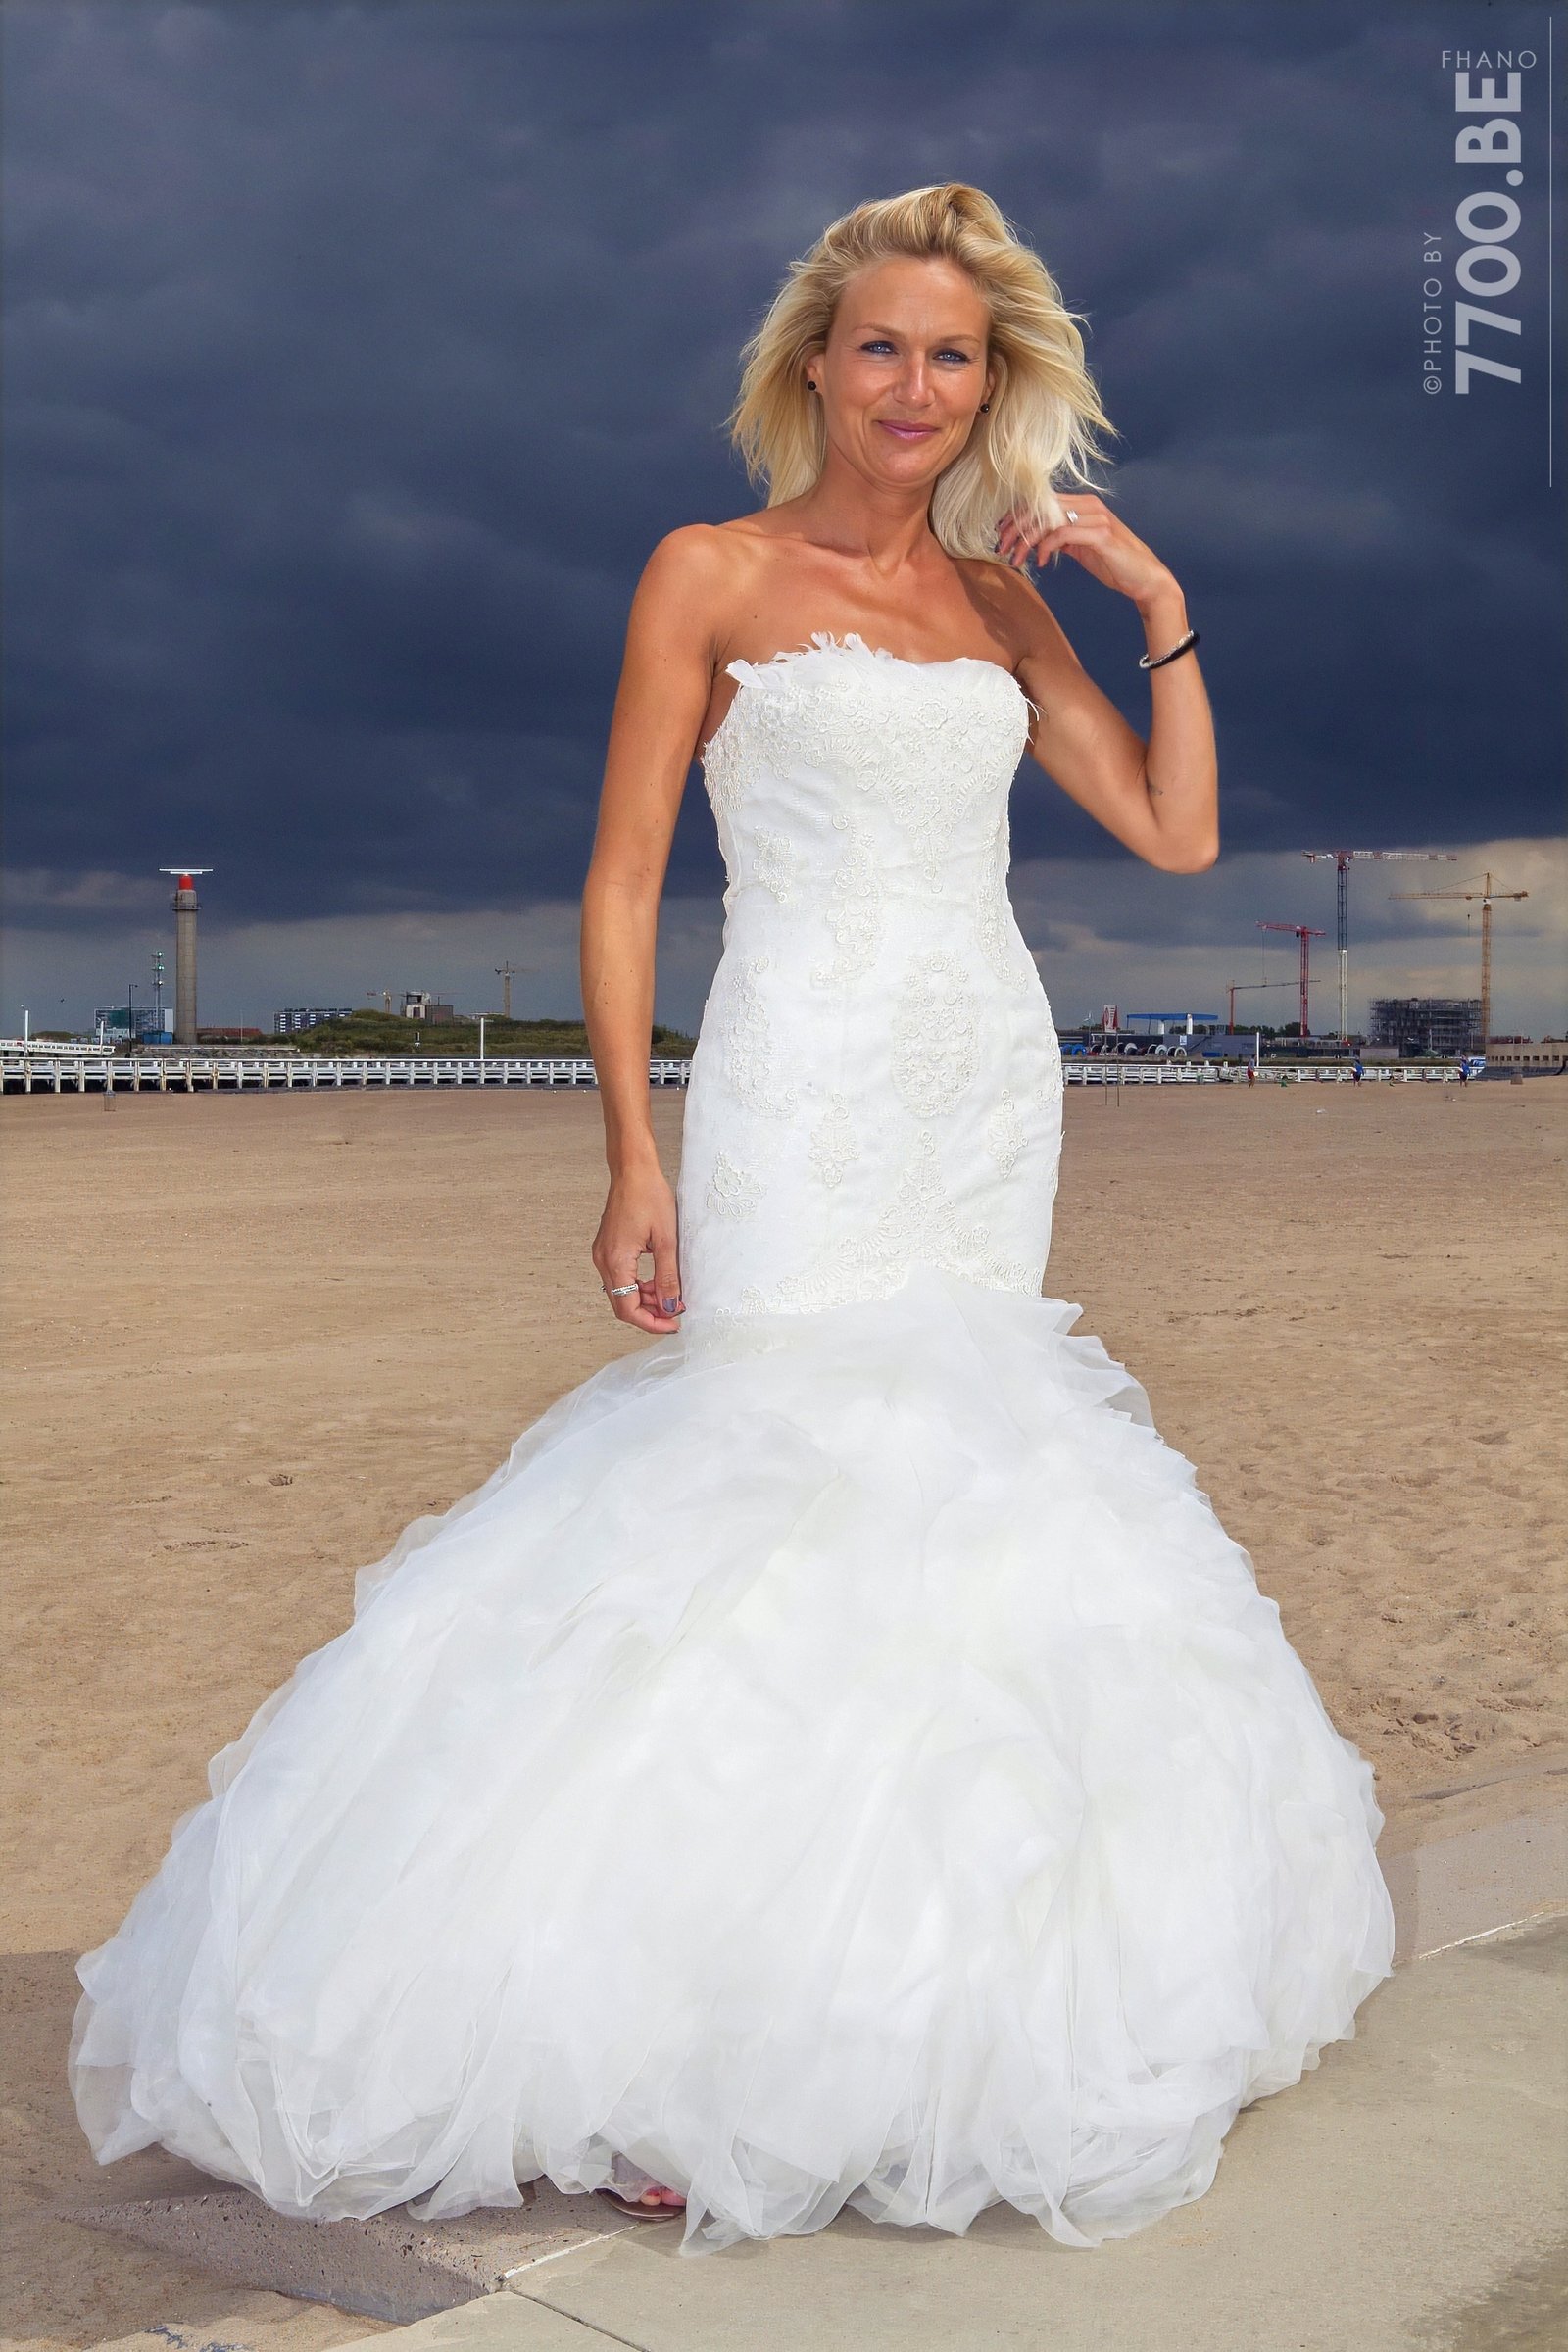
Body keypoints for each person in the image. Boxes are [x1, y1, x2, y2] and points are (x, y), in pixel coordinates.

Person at [70, 184, 1395, 2255]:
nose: (915, 387)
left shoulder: (1002, 598)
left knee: (961, 1493)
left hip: (979, 1078)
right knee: (761, 1487)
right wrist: (630, 1150)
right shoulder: (705, 573)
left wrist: (1153, 603)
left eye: (954, 356)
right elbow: (617, 883)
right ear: (809, 363)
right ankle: (670, 2029)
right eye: (880, 347)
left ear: (994, 382)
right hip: (794, 1079)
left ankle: (909, 2010)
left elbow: (1176, 826)